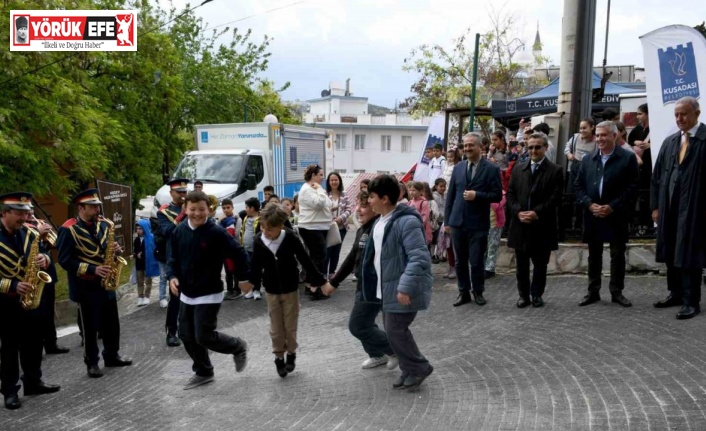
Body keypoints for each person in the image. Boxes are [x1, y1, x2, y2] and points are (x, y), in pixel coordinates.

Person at [166, 191, 250, 389]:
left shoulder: (216, 232)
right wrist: (172, 277)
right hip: (187, 293)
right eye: (192, 209)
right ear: (185, 209)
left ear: (209, 210)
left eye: (201, 209)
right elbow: (172, 259)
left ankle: (237, 346)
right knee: (186, 335)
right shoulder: (179, 232)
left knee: (203, 336)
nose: (197, 214)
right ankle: (203, 371)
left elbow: (238, 252)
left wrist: (244, 278)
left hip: (209, 292)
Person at [357, 175, 433, 390]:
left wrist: (405, 287)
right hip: (387, 288)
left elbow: (419, 257)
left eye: (372, 197)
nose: (369, 201)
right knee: (394, 332)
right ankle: (409, 369)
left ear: (385, 198)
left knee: (396, 331)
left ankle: (419, 367)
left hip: (401, 288)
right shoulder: (381, 221)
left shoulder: (406, 221)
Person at [243, 204, 331, 377]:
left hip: (290, 289)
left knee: (290, 326)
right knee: (276, 328)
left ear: (281, 226)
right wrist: (250, 283)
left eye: (270, 229)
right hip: (271, 290)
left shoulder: (290, 237)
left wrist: (322, 282)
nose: (265, 231)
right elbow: (255, 265)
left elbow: (306, 261)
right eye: (263, 227)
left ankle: (291, 353)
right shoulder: (259, 240)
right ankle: (278, 357)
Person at [56, 188, 133, 378]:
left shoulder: (104, 225)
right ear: (80, 208)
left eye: (98, 206)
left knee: (112, 323)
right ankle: (91, 362)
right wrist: (92, 269)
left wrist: (114, 250)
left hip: (107, 282)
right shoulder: (68, 230)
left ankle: (112, 355)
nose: (97, 210)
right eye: (92, 207)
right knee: (90, 328)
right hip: (85, 285)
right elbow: (65, 261)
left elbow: (105, 249)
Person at [325, 191, 399, 369]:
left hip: (373, 286)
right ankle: (376, 354)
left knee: (357, 325)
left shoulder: (378, 229)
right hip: (363, 284)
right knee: (365, 322)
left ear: (375, 208)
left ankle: (396, 350)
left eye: (364, 206)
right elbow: (352, 258)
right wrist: (334, 282)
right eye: (358, 205)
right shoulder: (363, 229)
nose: (358, 210)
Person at [0, 192, 61, 410]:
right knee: (9, 348)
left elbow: (43, 252)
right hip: (5, 302)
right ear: (5, 213)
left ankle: (33, 382)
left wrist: (44, 258)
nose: (25, 218)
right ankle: (9, 390)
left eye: (27, 213)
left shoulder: (29, 232)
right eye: (20, 214)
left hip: (32, 296)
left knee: (34, 342)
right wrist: (13, 285)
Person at [651, 97, 706, 319]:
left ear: (697, 113)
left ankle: (691, 301)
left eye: (683, 114)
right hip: (670, 208)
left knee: (690, 253)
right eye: (676, 115)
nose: (679, 119)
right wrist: (655, 206)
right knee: (671, 249)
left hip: (695, 210)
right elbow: (657, 177)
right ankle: (674, 293)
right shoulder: (670, 142)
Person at [574, 121, 638, 308]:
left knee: (617, 254)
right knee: (594, 254)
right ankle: (593, 291)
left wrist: (613, 206)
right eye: (599, 135)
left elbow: (633, 187)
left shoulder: (627, 158)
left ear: (614, 136)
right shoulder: (588, 159)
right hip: (592, 214)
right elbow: (578, 186)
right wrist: (589, 204)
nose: (600, 139)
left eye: (604, 135)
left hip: (616, 214)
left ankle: (616, 292)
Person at [506, 133, 564, 307]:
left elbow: (555, 198)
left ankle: (537, 294)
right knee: (521, 266)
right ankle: (523, 295)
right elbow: (510, 194)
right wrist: (518, 212)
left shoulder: (556, 170)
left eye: (538, 147)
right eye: (530, 147)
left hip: (542, 225)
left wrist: (536, 213)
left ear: (545, 148)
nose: (533, 150)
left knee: (540, 265)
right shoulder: (518, 168)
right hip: (520, 225)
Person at [445, 132, 503, 307]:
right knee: (460, 261)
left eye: (471, 145)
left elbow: (497, 195)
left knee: (477, 260)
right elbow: (451, 196)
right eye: (465, 145)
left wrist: (477, 195)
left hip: (478, 223)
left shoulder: (492, 169)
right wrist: (447, 222)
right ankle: (463, 292)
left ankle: (478, 291)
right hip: (458, 222)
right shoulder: (458, 167)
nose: (468, 148)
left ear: (480, 147)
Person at [25, 210, 69, 355]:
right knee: (37, 313)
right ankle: (36, 347)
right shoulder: (23, 229)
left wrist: (44, 237)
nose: (31, 213)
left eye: (31, 210)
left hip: (48, 273)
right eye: (27, 211)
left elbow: (53, 244)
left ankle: (51, 343)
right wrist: (38, 233)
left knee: (49, 311)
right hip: (32, 277)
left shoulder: (37, 223)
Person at [154, 179, 189, 347]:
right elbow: (167, 231)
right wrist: (182, 214)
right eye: (179, 192)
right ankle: (171, 332)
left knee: (192, 296)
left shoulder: (193, 207)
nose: (183, 195)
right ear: (171, 193)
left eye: (184, 191)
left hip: (191, 257)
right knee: (175, 299)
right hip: (174, 258)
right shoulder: (164, 212)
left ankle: (187, 330)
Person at [297, 165, 332, 298]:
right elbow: (319, 204)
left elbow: (329, 204)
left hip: (319, 226)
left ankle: (310, 284)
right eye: (320, 175)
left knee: (315, 257)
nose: (323, 178)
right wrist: (320, 190)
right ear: (313, 175)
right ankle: (314, 288)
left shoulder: (316, 189)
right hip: (311, 227)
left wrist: (320, 190)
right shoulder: (307, 189)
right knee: (319, 257)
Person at [564, 118, 597, 230]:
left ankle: (579, 226)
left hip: (588, 170)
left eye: (585, 128)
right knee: (569, 197)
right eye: (581, 128)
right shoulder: (575, 137)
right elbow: (567, 147)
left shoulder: (596, 141)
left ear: (592, 127)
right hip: (575, 166)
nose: (582, 130)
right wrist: (569, 154)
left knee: (582, 198)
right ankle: (567, 226)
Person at [629, 103, 653, 228]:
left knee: (648, 197)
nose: (637, 117)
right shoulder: (637, 129)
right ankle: (635, 224)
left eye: (640, 114)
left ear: (648, 114)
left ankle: (648, 224)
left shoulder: (655, 129)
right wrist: (635, 142)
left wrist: (650, 146)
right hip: (638, 169)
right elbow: (629, 141)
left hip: (650, 168)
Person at [325, 172, 351, 278]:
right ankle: (323, 273)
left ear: (339, 181)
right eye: (331, 180)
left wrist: (340, 218)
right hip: (328, 227)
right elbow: (322, 209)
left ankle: (332, 272)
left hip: (341, 227)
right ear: (328, 182)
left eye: (336, 180)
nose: (334, 182)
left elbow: (349, 209)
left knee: (336, 251)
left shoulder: (344, 194)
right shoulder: (324, 194)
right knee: (327, 251)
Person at [239, 197, 262, 300]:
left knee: (256, 270)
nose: (245, 209)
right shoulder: (246, 218)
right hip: (246, 249)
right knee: (249, 271)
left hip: (256, 250)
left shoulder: (260, 219)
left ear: (252, 208)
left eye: (247, 207)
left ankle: (257, 289)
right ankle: (251, 290)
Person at [133, 219, 159, 306]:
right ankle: (140, 297)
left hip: (148, 263)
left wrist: (143, 254)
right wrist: (136, 254)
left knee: (148, 281)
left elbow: (152, 250)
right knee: (140, 281)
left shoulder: (151, 238)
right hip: (139, 264)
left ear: (145, 228)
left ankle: (147, 297)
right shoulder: (136, 240)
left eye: (140, 228)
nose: (138, 230)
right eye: (137, 228)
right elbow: (135, 250)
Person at [220, 198, 242, 300]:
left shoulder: (237, 219)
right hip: (224, 249)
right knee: (228, 271)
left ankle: (237, 289)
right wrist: (219, 220)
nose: (226, 210)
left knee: (236, 270)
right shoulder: (222, 220)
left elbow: (236, 234)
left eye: (228, 207)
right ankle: (229, 289)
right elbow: (216, 231)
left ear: (232, 207)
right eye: (223, 208)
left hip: (234, 248)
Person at [483, 190, 506, 279]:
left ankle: (490, 269)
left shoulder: (501, 194)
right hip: (483, 224)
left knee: (492, 247)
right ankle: (483, 266)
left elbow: (496, 206)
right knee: (484, 247)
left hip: (495, 224)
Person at [406, 181, 432, 245]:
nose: (411, 192)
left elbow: (424, 218)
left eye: (414, 190)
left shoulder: (424, 203)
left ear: (421, 191)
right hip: (411, 228)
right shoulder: (410, 202)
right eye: (410, 190)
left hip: (421, 229)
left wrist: (417, 225)